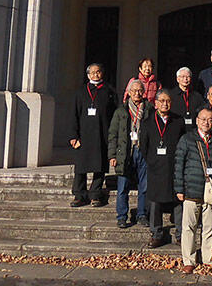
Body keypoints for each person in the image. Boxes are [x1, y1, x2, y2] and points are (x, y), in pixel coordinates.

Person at [174, 108, 212, 273]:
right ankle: (189, 260)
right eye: (203, 119)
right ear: (197, 121)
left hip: (210, 188)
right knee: (189, 227)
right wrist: (179, 188)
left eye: (210, 120)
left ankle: (207, 258)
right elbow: (178, 165)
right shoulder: (187, 139)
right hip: (192, 187)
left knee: (210, 227)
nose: (206, 123)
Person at [65, 63, 117, 207]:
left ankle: (95, 194)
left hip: (102, 134)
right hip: (83, 135)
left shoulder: (109, 91)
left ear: (102, 73)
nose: (96, 75)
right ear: (88, 75)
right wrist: (73, 136)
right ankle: (79, 195)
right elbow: (73, 115)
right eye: (92, 72)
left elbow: (114, 114)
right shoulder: (80, 91)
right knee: (81, 167)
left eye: (98, 72)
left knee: (99, 166)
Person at [140, 90, 186, 247]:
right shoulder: (147, 122)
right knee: (155, 202)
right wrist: (152, 161)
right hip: (155, 168)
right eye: (162, 101)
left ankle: (180, 234)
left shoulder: (178, 121)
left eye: (168, 101)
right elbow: (143, 146)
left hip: (174, 167)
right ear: (156, 103)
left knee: (178, 200)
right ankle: (156, 233)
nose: (165, 104)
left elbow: (183, 143)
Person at [108, 79, 149, 228]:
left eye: (140, 91)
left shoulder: (149, 109)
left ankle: (142, 214)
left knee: (144, 186)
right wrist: (112, 155)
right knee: (122, 186)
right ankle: (122, 216)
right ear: (129, 93)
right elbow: (113, 134)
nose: (137, 93)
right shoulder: (121, 111)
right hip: (125, 152)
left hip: (142, 151)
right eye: (134, 91)